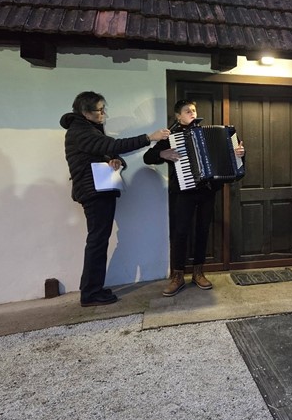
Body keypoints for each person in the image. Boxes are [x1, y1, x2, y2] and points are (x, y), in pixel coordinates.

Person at [61, 91, 170, 307]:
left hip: (99, 190)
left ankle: (91, 288)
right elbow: (114, 145)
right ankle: (90, 293)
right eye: (100, 110)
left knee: (98, 240)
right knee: (97, 241)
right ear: (85, 112)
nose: (104, 114)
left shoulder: (88, 129)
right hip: (94, 192)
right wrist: (149, 138)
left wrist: (116, 161)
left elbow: (111, 152)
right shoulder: (80, 131)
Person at [144, 99, 245, 296]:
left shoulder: (209, 133)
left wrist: (239, 154)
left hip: (207, 191)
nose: (192, 113)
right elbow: (148, 157)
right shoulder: (171, 136)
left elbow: (231, 157)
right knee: (180, 232)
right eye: (187, 111)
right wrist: (163, 153)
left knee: (203, 231)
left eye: (193, 110)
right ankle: (178, 276)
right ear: (178, 116)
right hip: (184, 193)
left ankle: (199, 272)